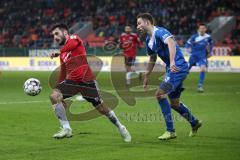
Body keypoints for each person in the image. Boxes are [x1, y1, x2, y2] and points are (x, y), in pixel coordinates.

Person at [49, 23, 131, 142]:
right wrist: (59, 92)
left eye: (56, 33)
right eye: (53, 35)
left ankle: (121, 127)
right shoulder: (63, 54)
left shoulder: (74, 39)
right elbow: (63, 71)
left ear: (65, 32)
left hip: (87, 81)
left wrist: (58, 52)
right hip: (72, 82)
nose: (55, 37)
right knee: (54, 96)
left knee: (102, 109)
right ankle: (66, 128)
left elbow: (71, 45)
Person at [137, 13, 202, 140]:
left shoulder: (160, 31)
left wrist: (172, 62)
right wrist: (147, 75)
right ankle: (194, 122)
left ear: (147, 22)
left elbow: (171, 43)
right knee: (175, 103)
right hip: (172, 69)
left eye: (139, 23)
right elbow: (152, 58)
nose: (137, 26)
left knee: (159, 94)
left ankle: (170, 131)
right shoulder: (148, 40)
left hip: (177, 67)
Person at [185, 23, 214, 92]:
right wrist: (188, 48)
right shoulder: (194, 37)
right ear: (198, 29)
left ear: (205, 29)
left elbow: (211, 43)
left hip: (202, 56)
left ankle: (200, 86)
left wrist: (210, 52)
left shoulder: (208, 37)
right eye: (201, 28)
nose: (202, 30)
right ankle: (177, 83)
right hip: (193, 56)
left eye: (203, 28)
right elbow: (187, 43)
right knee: (185, 71)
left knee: (203, 69)